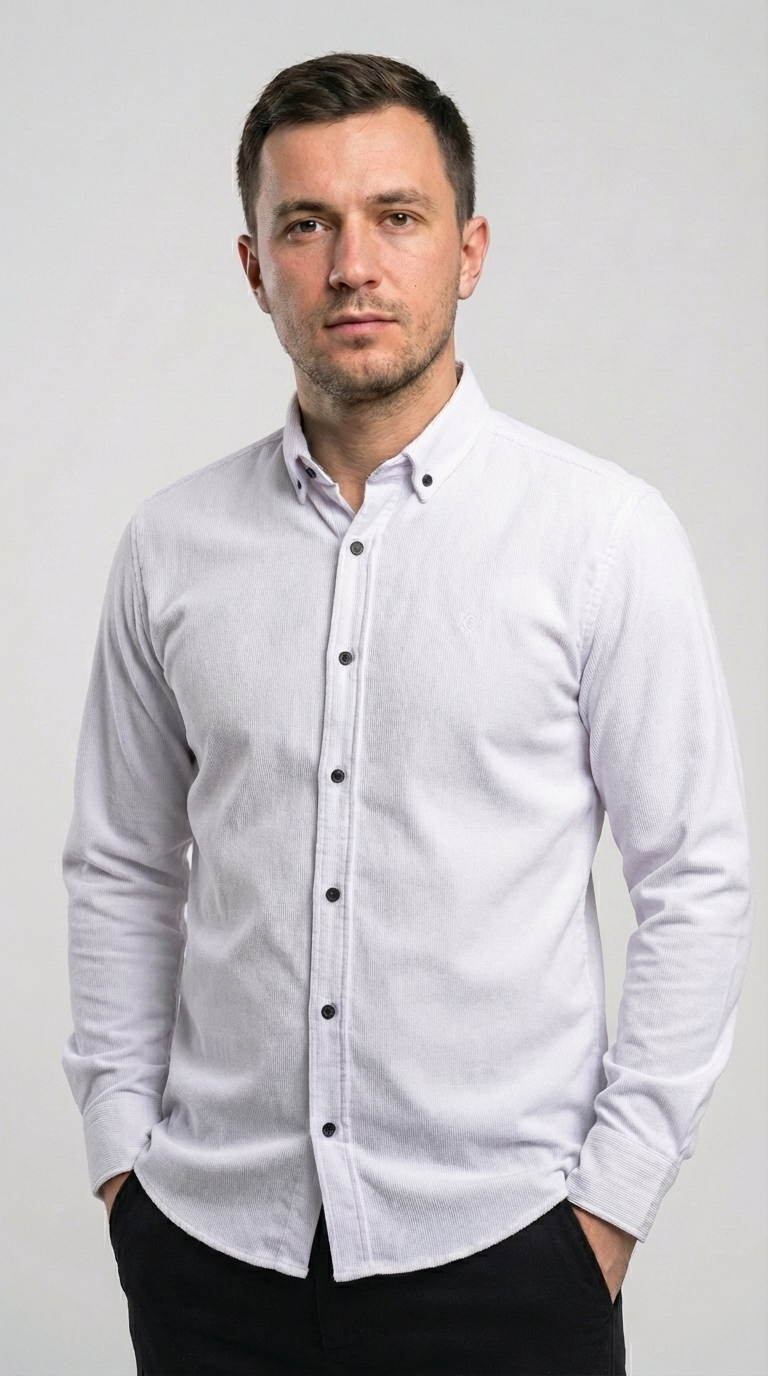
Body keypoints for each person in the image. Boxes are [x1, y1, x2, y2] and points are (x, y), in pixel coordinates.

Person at [63, 52, 752, 1376]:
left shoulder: (601, 537)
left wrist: (608, 1212)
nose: (353, 266)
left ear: (469, 250)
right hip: (211, 1256)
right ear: (255, 267)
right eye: (305, 225)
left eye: (397, 216)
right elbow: (123, 867)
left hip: (508, 1257)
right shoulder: (170, 548)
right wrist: (121, 1168)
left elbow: (697, 878)